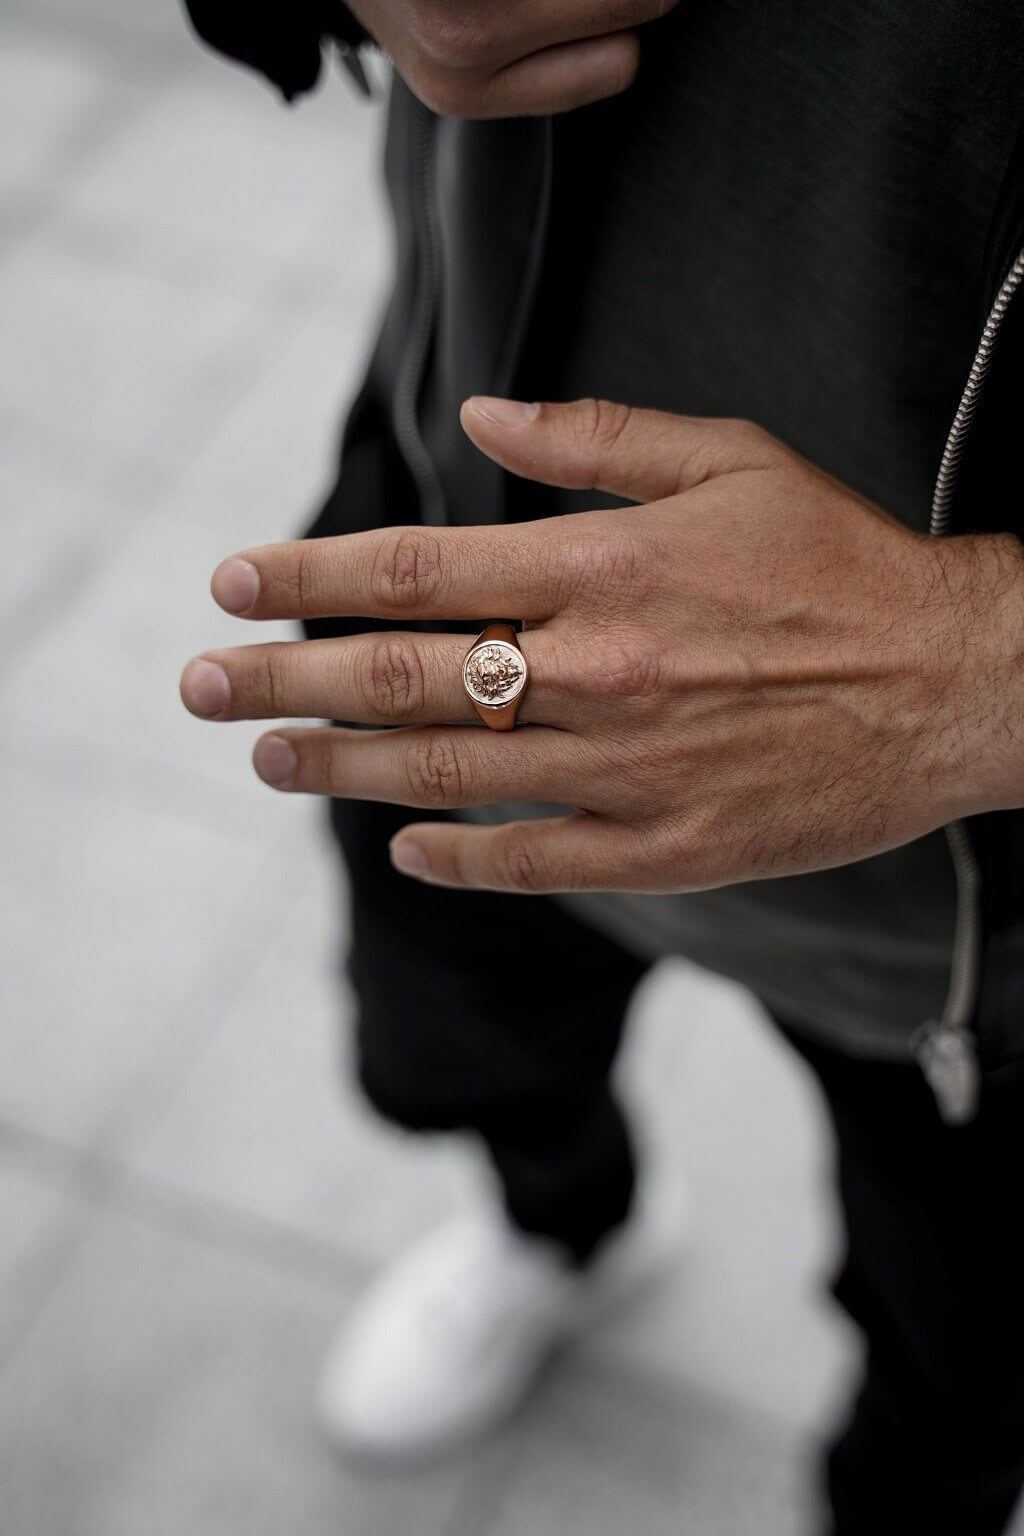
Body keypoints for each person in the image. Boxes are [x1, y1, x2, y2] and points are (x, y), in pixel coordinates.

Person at [178, 3, 1024, 1530]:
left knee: (968, 1356)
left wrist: (986, 670)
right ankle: (568, 1234)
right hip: (453, 586)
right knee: (459, 1046)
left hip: (980, 898)